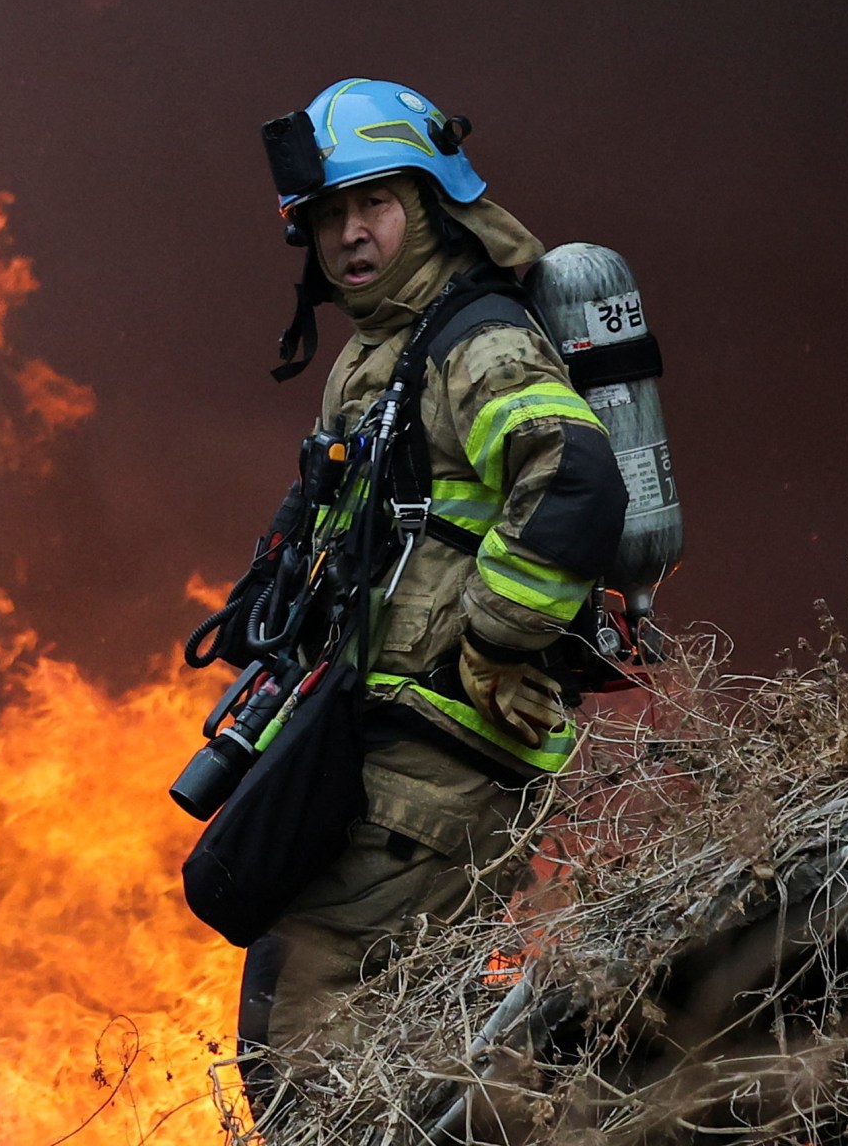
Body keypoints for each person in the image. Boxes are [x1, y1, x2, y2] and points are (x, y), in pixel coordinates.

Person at [236, 78, 629, 1122]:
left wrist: (495, 641)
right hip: (386, 742)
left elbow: (575, 475)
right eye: (329, 214)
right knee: (384, 1029)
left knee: (310, 1025)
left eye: (375, 203)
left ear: (434, 203)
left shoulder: (476, 342)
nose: (350, 235)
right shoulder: (380, 353)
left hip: (444, 754)